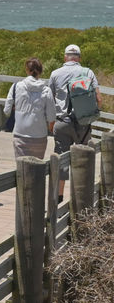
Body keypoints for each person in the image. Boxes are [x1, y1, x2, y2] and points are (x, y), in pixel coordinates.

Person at [48, 44, 101, 203]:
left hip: (62, 123)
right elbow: (98, 99)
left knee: (61, 162)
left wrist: (51, 123)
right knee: (83, 161)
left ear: (65, 57)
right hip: (83, 124)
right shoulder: (87, 72)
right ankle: (81, 201)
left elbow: (49, 100)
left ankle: (58, 201)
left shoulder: (55, 74)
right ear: (79, 57)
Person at [4, 58, 55, 160]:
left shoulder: (16, 86)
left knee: (21, 170)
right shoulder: (46, 90)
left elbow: (6, 111)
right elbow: (52, 116)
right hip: (39, 135)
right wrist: (50, 129)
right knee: (37, 169)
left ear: (27, 70)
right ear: (40, 71)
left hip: (20, 134)